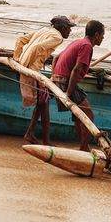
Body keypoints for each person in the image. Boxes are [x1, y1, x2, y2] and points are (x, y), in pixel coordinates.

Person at [15, 16, 75, 145]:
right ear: (63, 28)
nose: (70, 32)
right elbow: (36, 48)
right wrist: (25, 66)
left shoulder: (44, 30)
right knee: (44, 102)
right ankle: (46, 141)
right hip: (31, 71)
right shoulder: (57, 37)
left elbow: (21, 40)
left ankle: (30, 133)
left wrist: (17, 59)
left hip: (27, 68)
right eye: (69, 28)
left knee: (42, 102)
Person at [51, 19, 105, 151]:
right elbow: (76, 69)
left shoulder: (78, 42)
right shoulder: (87, 46)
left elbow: (56, 58)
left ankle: (83, 145)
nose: (103, 38)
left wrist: (53, 76)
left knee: (78, 116)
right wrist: (68, 93)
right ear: (97, 35)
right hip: (66, 82)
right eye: (102, 35)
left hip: (59, 80)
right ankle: (83, 147)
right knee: (89, 115)